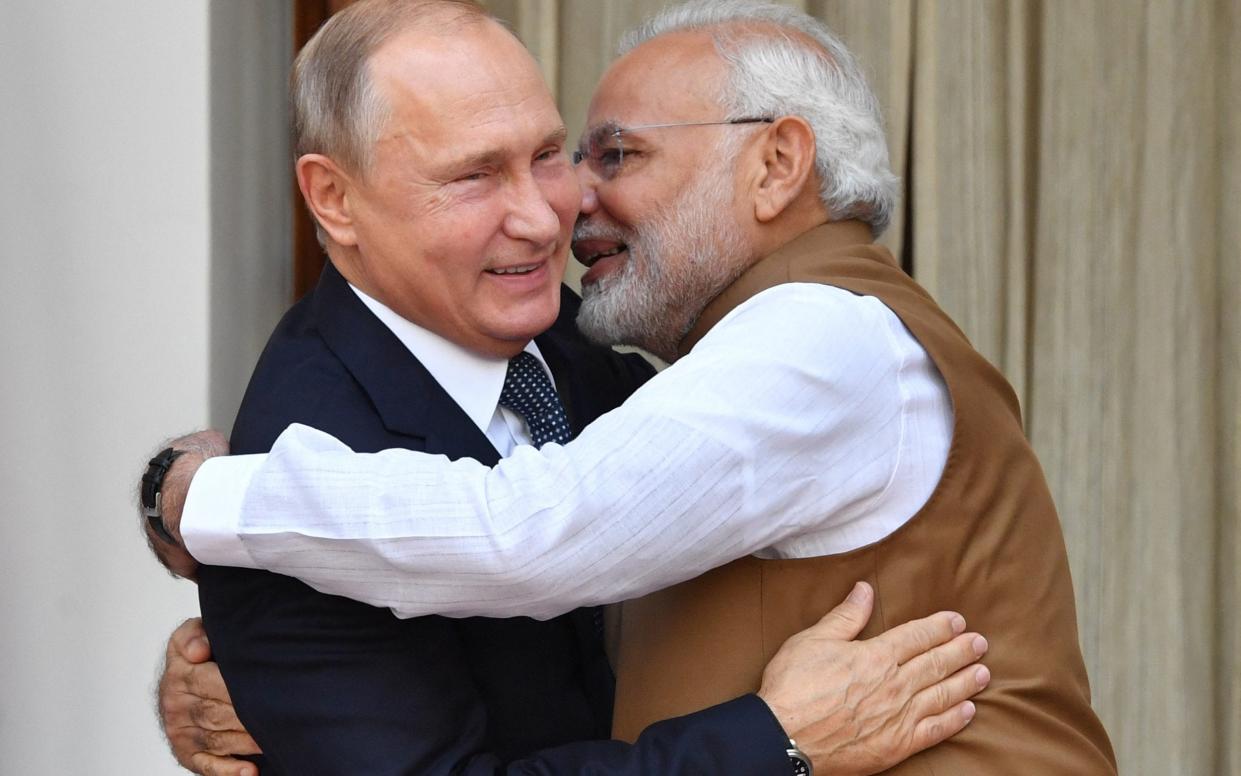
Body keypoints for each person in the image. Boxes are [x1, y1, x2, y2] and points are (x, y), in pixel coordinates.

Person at [141, 1, 989, 775]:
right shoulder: (301, 466)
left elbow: (554, 528)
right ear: (333, 199)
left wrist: (187, 494)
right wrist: (774, 745)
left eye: (548, 154)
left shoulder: (585, 345)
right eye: (474, 175)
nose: (548, 217)